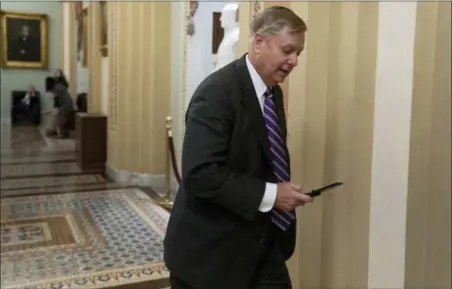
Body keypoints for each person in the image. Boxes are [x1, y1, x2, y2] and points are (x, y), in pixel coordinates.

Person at [164, 6, 312, 289]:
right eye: (287, 50)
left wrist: (281, 194)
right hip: (210, 256)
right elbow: (200, 174)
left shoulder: (272, 93)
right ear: (259, 42)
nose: (294, 61)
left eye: (298, 54)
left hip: (262, 247)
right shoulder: (216, 93)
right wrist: (272, 194)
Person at [44, 69, 73, 138]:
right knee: (54, 112)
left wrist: (48, 110)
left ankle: (60, 133)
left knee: (56, 113)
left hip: (65, 106)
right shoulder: (59, 86)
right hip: (66, 104)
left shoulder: (57, 88)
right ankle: (54, 130)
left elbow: (57, 105)